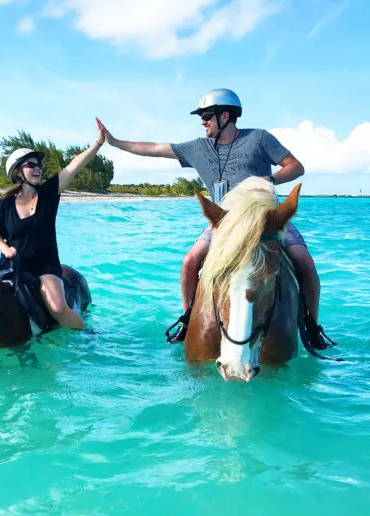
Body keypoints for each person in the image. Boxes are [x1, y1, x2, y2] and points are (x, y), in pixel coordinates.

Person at [96, 88, 332, 349]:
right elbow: (155, 148)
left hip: (265, 219)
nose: (202, 121)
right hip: (223, 222)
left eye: (207, 115)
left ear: (227, 116)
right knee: (190, 262)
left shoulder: (259, 138)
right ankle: (187, 320)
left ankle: (312, 326)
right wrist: (115, 142)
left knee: (305, 263)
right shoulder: (198, 148)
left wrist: (272, 179)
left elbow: (296, 167)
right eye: (202, 116)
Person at [0, 121, 105, 330]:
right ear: (17, 172)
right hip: (13, 265)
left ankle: (88, 338)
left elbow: (72, 167)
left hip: (45, 266)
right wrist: (6, 249)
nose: (37, 168)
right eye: (31, 164)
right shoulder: (4, 204)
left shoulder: (49, 193)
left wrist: (98, 143)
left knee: (58, 308)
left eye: (38, 164)